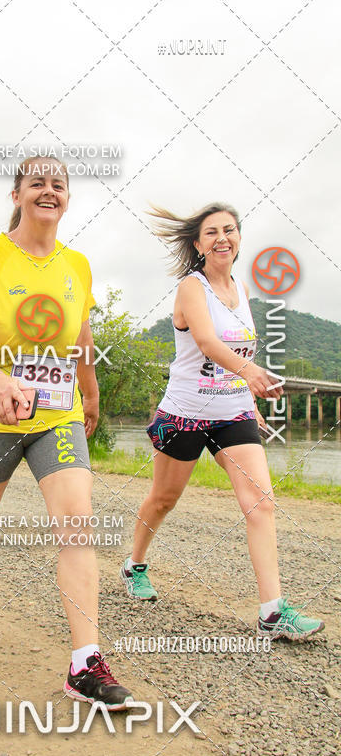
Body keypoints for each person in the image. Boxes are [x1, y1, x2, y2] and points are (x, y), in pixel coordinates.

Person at [0, 157, 134, 709]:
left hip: (57, 416)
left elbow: (81, 337)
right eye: (37, 183)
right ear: (17, 193)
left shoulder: (78, 265)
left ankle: (84, 661)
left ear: (67, 198)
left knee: (76, 521)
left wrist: (90, 394)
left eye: (59, 185)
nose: (49, 192)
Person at [121, 203, 324, 642]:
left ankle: (272, 611)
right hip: (185, 413)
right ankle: (134, 564)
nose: (222, 238)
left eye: (229, 230)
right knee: (163, 499)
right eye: (211, 232)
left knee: (261, 502)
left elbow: (241, 351)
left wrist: (248, 400)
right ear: (198, 244)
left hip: (232, 412)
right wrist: (251, 376)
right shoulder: (191, 288)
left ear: (238, 237)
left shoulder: (240, 288)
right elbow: (209, 343)